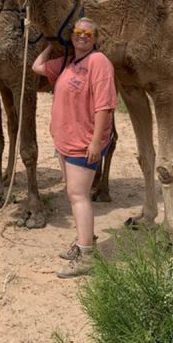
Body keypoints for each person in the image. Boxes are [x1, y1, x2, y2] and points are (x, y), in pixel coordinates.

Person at [32, 17, 117, 278]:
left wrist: (95, 142)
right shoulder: (70, 64)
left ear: (95, 38)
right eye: (78, 32)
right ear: (72, 36)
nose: (82, 36)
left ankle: (87, 256)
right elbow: (37, 67)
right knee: (73, 194)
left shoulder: (98, 63)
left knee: (79, 196)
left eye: (88, 33)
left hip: (83, 143)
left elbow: (105, 105)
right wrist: (49, 46)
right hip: (66, 141)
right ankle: (84, 240)